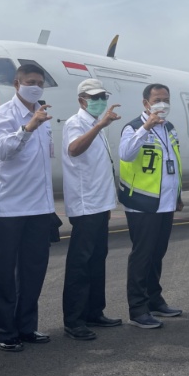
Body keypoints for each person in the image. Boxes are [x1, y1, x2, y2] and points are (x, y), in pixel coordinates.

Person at [0, 63, 55, 351]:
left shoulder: (44, 116)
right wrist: (27, 128)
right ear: (16, 84)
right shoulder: (4, 114)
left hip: (37, 207)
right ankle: (4, 331)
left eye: (40, 81)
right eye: (30, 81)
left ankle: (27, 326)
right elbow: (1, 150)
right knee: (3, 273)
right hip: (8, 206)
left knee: (33, 270)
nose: (35, 86)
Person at [61, 79, 123, 341]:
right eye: (94, 97)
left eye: (103, 96)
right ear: (81, 100)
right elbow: (74, 150)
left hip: (100, 204)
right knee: (80, 264)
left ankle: (94, 312)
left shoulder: (97, 126)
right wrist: (99, 125)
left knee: (97, 260)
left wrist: (109, 204)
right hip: (85, 205)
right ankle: (74, 320)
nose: (100, 101)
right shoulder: (76, 123)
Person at [119, 83, 184, 329]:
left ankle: (155, 300)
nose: (163, 104)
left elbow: (172, 163)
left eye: (166, 99)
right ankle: (137, 309)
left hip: (165, 203)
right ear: (146, 103)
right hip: (143, 203)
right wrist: (145, 128)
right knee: (142, 256)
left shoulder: (169, 128)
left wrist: (177, 194)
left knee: (157, 254)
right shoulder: (133, 127)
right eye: (157, 99)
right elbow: (125, 154)